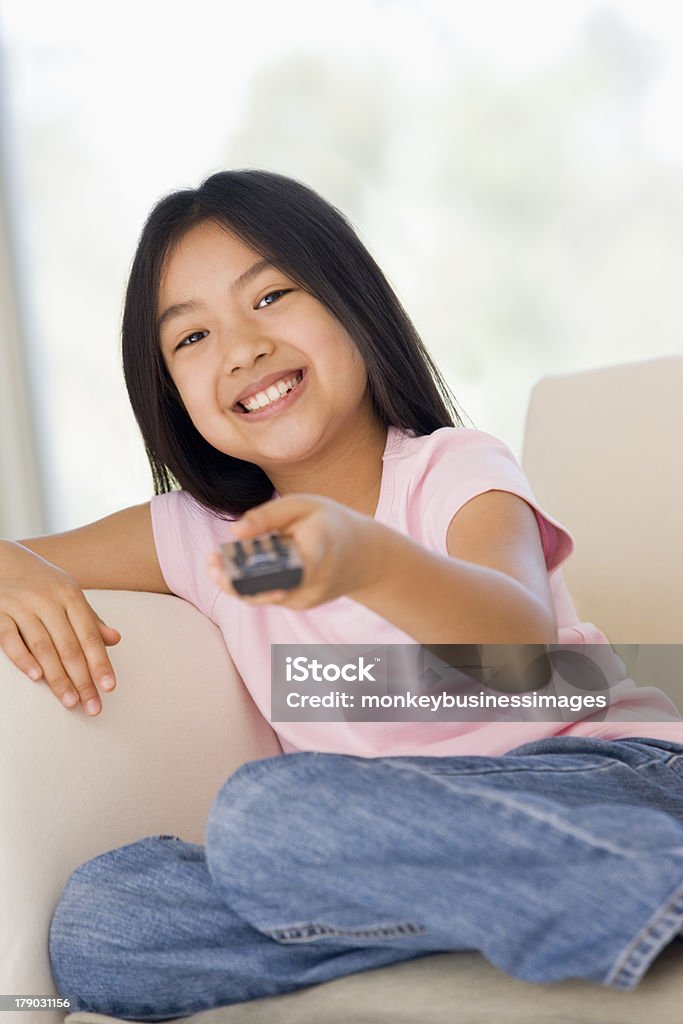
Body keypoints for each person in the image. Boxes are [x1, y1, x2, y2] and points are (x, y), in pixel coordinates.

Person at [3, 169, 683, 1020]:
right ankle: (531, 901)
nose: (241, 347)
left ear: (350, 299)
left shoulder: (452, 468)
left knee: (264, 815)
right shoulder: (199, 531)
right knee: (107, 918)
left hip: (598, 775)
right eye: (191, 338)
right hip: (388, 840)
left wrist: (366, 561)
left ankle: (616, 883)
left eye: (272, 296)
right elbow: (20, 555)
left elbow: (519, 646)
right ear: (168, 390)